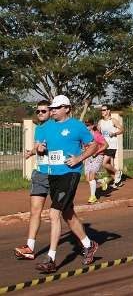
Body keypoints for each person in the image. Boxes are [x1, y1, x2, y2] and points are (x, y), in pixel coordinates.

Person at [34, 95, 100, 273]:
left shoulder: (77, 126)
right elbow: (41, 147)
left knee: (54, 213)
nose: (52, 111)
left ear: (67, 109)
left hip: (70, 174)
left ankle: (51, 258)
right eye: (52, 108)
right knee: (68, 213)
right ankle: (89, 244)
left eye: (56, 108)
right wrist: (40, 149)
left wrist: (79, 158)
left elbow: (93, 145)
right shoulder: (47, 127)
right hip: (53, 175)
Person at [14, 100, 51, 260]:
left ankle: (84, 242)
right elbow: (38, 146)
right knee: (35, 211)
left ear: (51, 112)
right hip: (40, 174)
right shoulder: (39, 129)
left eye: (43, 111)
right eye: (38, 111)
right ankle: (30, 247)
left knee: (66, 213)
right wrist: (33, 151)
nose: (40, 114)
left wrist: (45, 149)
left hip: (56, 174)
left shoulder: (55, 128)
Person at [98, 105, 125, 188]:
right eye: (101, 110)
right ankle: (117, 182)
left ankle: (117, 172)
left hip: (112, 145)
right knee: (108, 166)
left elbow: (122, 129)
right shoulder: (100, 122)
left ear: (108, 111)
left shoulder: (113, 120)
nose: (102, 111)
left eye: (104, 110)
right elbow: (98, 134)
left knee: (104, 163)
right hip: (104, 145)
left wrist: (114, 133)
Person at [84, 119, 109, 204]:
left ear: (92, 126)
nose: (86, 127)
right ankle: (102, 181)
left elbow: (106, 145)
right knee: (88, 179)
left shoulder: (97, 135)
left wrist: (97, 152)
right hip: (88, 157)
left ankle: (93, 197)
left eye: (88, 125)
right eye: (85, 125)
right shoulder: (84, 136)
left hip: (98, 156)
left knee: (91, 175)